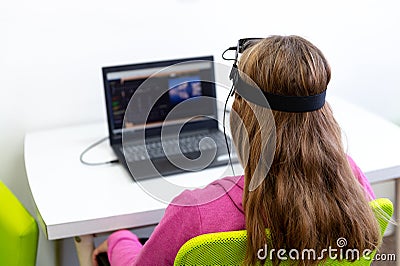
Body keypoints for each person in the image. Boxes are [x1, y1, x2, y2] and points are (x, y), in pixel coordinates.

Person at [92, 35, 380, 266]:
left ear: (242, 118)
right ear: (323, 114)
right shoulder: (350, 180)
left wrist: (120, 239)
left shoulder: (196, 213)